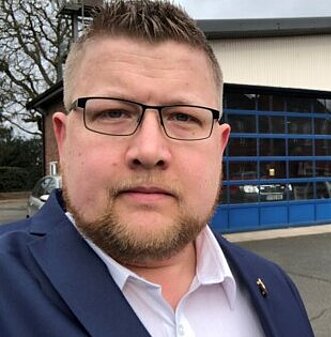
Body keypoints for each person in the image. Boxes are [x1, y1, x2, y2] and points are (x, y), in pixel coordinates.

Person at [0, 1, 314, 336]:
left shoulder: (277, 289)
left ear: (219, 146)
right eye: (114, 113)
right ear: (63, 138)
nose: (149, 151)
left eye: (183, 117)